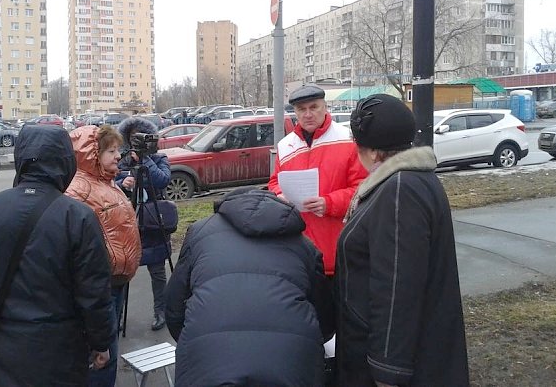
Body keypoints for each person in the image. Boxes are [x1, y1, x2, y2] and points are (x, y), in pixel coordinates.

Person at [0, 125, 115, 386]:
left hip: (1, 343)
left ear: (22, 159)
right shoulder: (77, 217)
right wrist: (101, 342)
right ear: (66, 162)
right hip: (60, 350)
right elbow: (94, 291)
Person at [334, 94, 469, 386]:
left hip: (391, 365)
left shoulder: (398, 189)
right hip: (416, 353)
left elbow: (396, 288)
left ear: (371, 152)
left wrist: (387, 371)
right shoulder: (415, 179)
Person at [165, 187, 334, 387]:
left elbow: (174, 307)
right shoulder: (304, 246)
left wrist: (191, 339)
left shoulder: (199, 232)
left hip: (208, 361)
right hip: (291, 363)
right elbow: (325, 317)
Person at [65, 124, 142, 387]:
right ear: (92, 154)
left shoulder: (107, 182)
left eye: (118, 150)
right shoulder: (79, 190)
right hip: (100, 286)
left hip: (116, 282)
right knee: (101, 355)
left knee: (108, 347)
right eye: (111, 150)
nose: (118, 156)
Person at [268, 84, 368, 275]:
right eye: (301, 109)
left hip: (340, 251)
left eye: (313, 107)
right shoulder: (285, 145)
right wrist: (280, 195)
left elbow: (363, 188)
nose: (308, 114)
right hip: (298, 252)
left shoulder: (348, 139)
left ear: (325, 107)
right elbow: (274, 183)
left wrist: (328, 203)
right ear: (295, 112)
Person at [116, 116, 171, 331]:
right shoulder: (121, 161)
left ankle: (161, 310)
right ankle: (118, 314)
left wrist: (144, 159)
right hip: (127, 220)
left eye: (141, 138)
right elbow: (110, 182)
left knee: (157, 269)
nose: (135, 143)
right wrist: (123, 182)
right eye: (132, 139)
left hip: (153, 221)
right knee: (123, 269)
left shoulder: (159, 159)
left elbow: (162, 180)